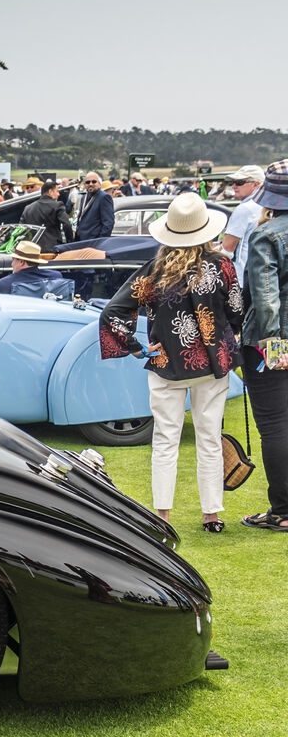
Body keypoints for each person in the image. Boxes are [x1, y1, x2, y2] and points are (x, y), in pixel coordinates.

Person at [100, 192, 240, 534]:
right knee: (209, 438)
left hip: (165, 363)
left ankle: (162, 516)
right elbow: (237, 312)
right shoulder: (222, 266)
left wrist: (136, 348)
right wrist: (222, 340)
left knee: (165, 440)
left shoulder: (156, 270)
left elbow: (112, 311)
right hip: (212, 366)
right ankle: (212, 515)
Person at [240, 160, 288, 532]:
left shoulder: (267, 233)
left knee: (274, 427)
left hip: (272, 343)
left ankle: (283, 511)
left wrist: (274, 347)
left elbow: (266, 297)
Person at [220, 165, 265, 286]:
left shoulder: (244, 209)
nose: (234, 186)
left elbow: (227, 249)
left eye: (239, 182)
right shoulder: (267, 206)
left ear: (256, 184)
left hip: (242, 278)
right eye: (233, 182)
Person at [19, 179, 75, 254]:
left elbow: (21, 229)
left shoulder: (28, 208)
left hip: (31, 250)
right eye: (57, 191)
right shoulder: (57, 205)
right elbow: (66, 225)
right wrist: (70, 243)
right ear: (50, 192)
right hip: (51, 249)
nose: (59, 194)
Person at [0, 241, 68, 295]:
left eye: (13, 260)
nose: (12, 264)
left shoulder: (4, 284)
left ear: (21, 262)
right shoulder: (55, 277)